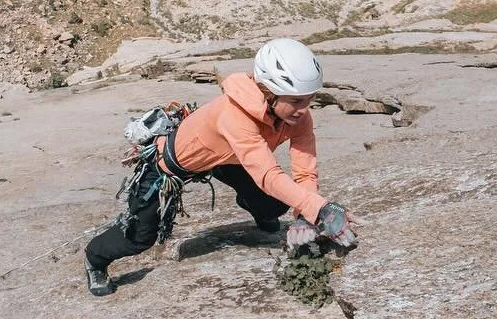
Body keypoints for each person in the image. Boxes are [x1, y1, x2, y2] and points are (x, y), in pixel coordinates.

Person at [83, 37, 357, 297]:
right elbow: (267, 174)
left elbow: (304, 171)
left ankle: (256, 206)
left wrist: (306, 215)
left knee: (275, 206)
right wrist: (321, 209)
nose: (304, 109)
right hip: (171, 165)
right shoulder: (234, 116)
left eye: (309, 99)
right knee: (139, 238)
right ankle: (95, 258)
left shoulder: (298, 117)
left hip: (228, 158)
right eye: (296, 101)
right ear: (269, 93)